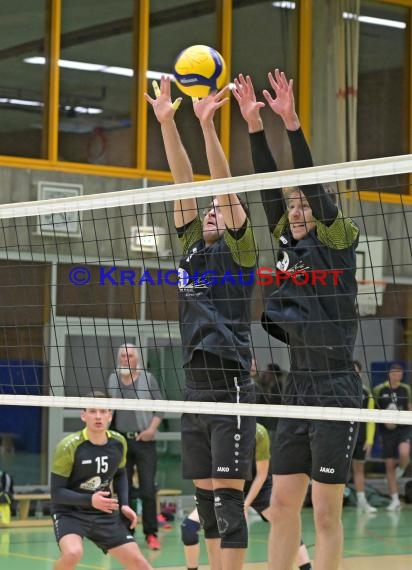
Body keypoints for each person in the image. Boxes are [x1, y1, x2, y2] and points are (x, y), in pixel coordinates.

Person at [233, 70, 362, 570]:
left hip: (335, 387)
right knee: (282, 504)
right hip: (297, 387)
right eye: (292, 203)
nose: (296, 205)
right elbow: (271, 188)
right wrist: (252, 126)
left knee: (326, 514)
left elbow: (308, 182)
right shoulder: (288, 238)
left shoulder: (336, 239)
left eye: (304, 201)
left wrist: (291, 124)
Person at [146, 76, 258, 570]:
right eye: (207, 211)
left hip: (230, 381)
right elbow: (183, 183)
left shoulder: (240, 250)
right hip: (193, 386)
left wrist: (208, 127)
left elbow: (222, 186)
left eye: (218, 210)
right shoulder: (192, 246)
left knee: (230, 504)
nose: (211, 212)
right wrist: (169, 124)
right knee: (207, 506)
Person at [181, 423, 312, 570]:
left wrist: (245, 504)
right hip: (227, 487)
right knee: (188, 528)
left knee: (284, 521)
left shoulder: (259, 432)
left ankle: (307, 567)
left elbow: (262, 474)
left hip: (258, 487)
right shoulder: (217, 428)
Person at [50, 395, 152, 570]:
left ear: (110, 415)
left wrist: (124, 505)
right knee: (73, 553)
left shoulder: (118, 442)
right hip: (70, 512)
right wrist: (90, 500)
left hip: (103, 512)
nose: (98, 416)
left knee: (140, 564)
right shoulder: (68, 446)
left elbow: (120, 474)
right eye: (92, 411)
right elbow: (56, 492)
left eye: (103, 411)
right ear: (84, 415)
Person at [107, 343, 164, 550]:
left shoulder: (147, 379)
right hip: (121, 441)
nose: (126, 359)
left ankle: (151, 533)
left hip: (144, 442)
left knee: (148, 489)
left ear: (136, 359)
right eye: (123, 356)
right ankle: (127, 532)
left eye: (129, 356)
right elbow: (109, 409)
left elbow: (161, 407)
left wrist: (151, 430)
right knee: (125, 491)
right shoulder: (113, 378)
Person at [373, 362, 412, 511]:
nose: (398, 376)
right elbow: (374, 410)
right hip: (386, 431)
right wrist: (385, 422)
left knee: (404, 453)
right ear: (389, 374)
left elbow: (409, 408)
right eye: (396, 373)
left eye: (401, 374)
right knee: (389, 465)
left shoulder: (405, 389)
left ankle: (401, 469)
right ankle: (395, 500)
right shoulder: (379, 389)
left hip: (403, 428)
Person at [351, 360, 377, 513]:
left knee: (359, 468)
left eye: (356, 371)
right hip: (342, 437)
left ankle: (362, 501)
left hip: (360, 437)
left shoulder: (366, 393)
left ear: (360, 372)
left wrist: (370, 439)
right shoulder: (340, 390)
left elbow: (371, 419)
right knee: (339, 471)